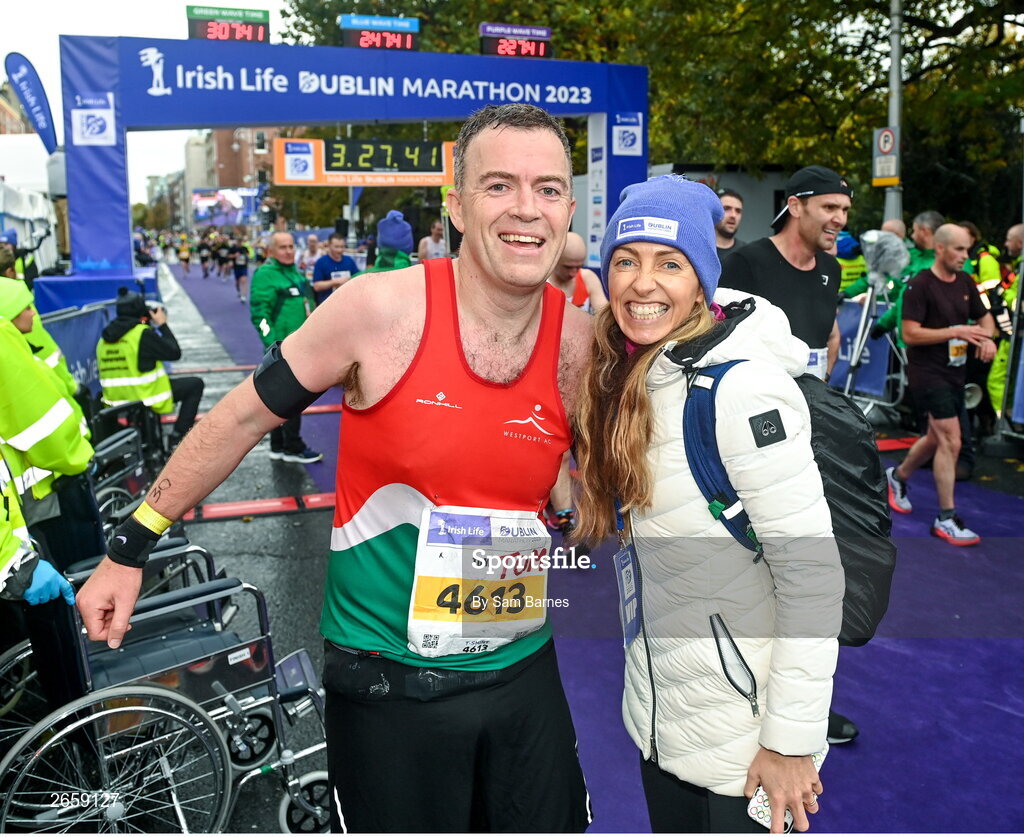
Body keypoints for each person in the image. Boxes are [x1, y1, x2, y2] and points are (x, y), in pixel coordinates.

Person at [77, 103, 593, 833]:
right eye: (498, 185)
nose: (525, 209)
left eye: (546, 189)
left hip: (522, 666)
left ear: (569, 209)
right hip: (386, 682)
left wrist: (567, 485)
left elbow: (582, 463)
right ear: (456, 205)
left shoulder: (579, 343)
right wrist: (131, 546)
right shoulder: (376, 312)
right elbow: (240, 416)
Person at [573, 174, 843, 834]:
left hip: (745, 748)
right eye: (626, 261)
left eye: (671, 262)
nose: (643, 283)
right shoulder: (636, 372)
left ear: (702, 278)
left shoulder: (740, 389)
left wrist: (789, 740)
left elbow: (812, 576)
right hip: (665, 721)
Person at [885, 224, 996, 545]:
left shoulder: (965, 282)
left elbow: (986, 322)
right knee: (951, 440)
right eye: (959, 249)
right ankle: (945, 518)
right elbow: (910, 334)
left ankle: (899, 476)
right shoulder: (920, 285)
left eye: (967, 250)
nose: (965, 256)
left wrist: (984, 338)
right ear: (941, 248)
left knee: (936, 437)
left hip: (955, 372)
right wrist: (958, 331)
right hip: (926, 373)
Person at [720, 165, 851, 381]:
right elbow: (716, 343)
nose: (841, 219)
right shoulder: (746, 262)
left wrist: (823, 381)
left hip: (813, 404)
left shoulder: (831, 267)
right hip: (759, 404)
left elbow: (831, 335)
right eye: (829, 207)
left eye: (845, 210)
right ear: (795, 207)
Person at [97, 288, 205, 450]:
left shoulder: (104, 339)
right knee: (195, 385)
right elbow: (174, 352)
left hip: (115, 401)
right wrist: (162, 325)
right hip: (146, 396)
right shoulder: (141, 334)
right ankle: (178, 439)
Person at [248, 232, 322, 464]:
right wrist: (272, 344)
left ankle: (279, 445)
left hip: (300, 347)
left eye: (291, 246)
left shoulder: (295, 273)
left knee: (281, 399)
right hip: (282, 350)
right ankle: (292, 446)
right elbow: (260, 315)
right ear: (270, 251)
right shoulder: (265, 275)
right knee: (292, 399)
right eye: (282, 247)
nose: (289, 251)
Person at [547, 231, 608, 312]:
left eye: (578, 267)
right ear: (555, 259)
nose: (573, 273)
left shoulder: (587, 278)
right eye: (568, 267)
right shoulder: (540, 283)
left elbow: (604, 315)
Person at [311, 232, 359, 305]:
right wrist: (335, 282)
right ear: (329, 246)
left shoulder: (349, 261)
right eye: (336, 247)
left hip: (347, 303)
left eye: (342, 247)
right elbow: (317, 286)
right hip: (328, 305)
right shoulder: (321, 262)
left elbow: (358, 278)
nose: (339, 250)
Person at [714, 188, 746, 263]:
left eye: (738, 211)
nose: (733, 215)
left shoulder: (746, 253)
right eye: (726, 208)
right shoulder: (699, 250)